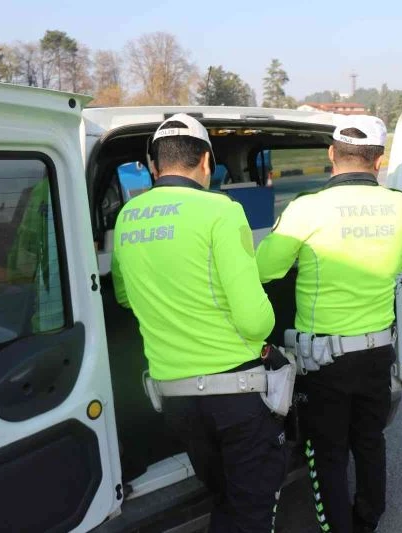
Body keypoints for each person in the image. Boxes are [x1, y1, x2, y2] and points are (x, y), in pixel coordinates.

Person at [111, 113, 288, 533]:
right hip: (235, 396)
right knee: (251, 508)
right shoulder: (221, 211)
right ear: (207, 161)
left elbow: (123, 295)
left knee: (223, 496)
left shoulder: (127, 217)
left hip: (175, 398)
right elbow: (255, 320)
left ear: (153, 166)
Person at [255, 115, 402, 533]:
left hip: (323, 361)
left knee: (327, 451)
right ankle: (369, 518)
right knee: (370, 440)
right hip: (377, 352)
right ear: (378, 160)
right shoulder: (401, 206)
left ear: (332, 154)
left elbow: (267, 270)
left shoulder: (306, 208)